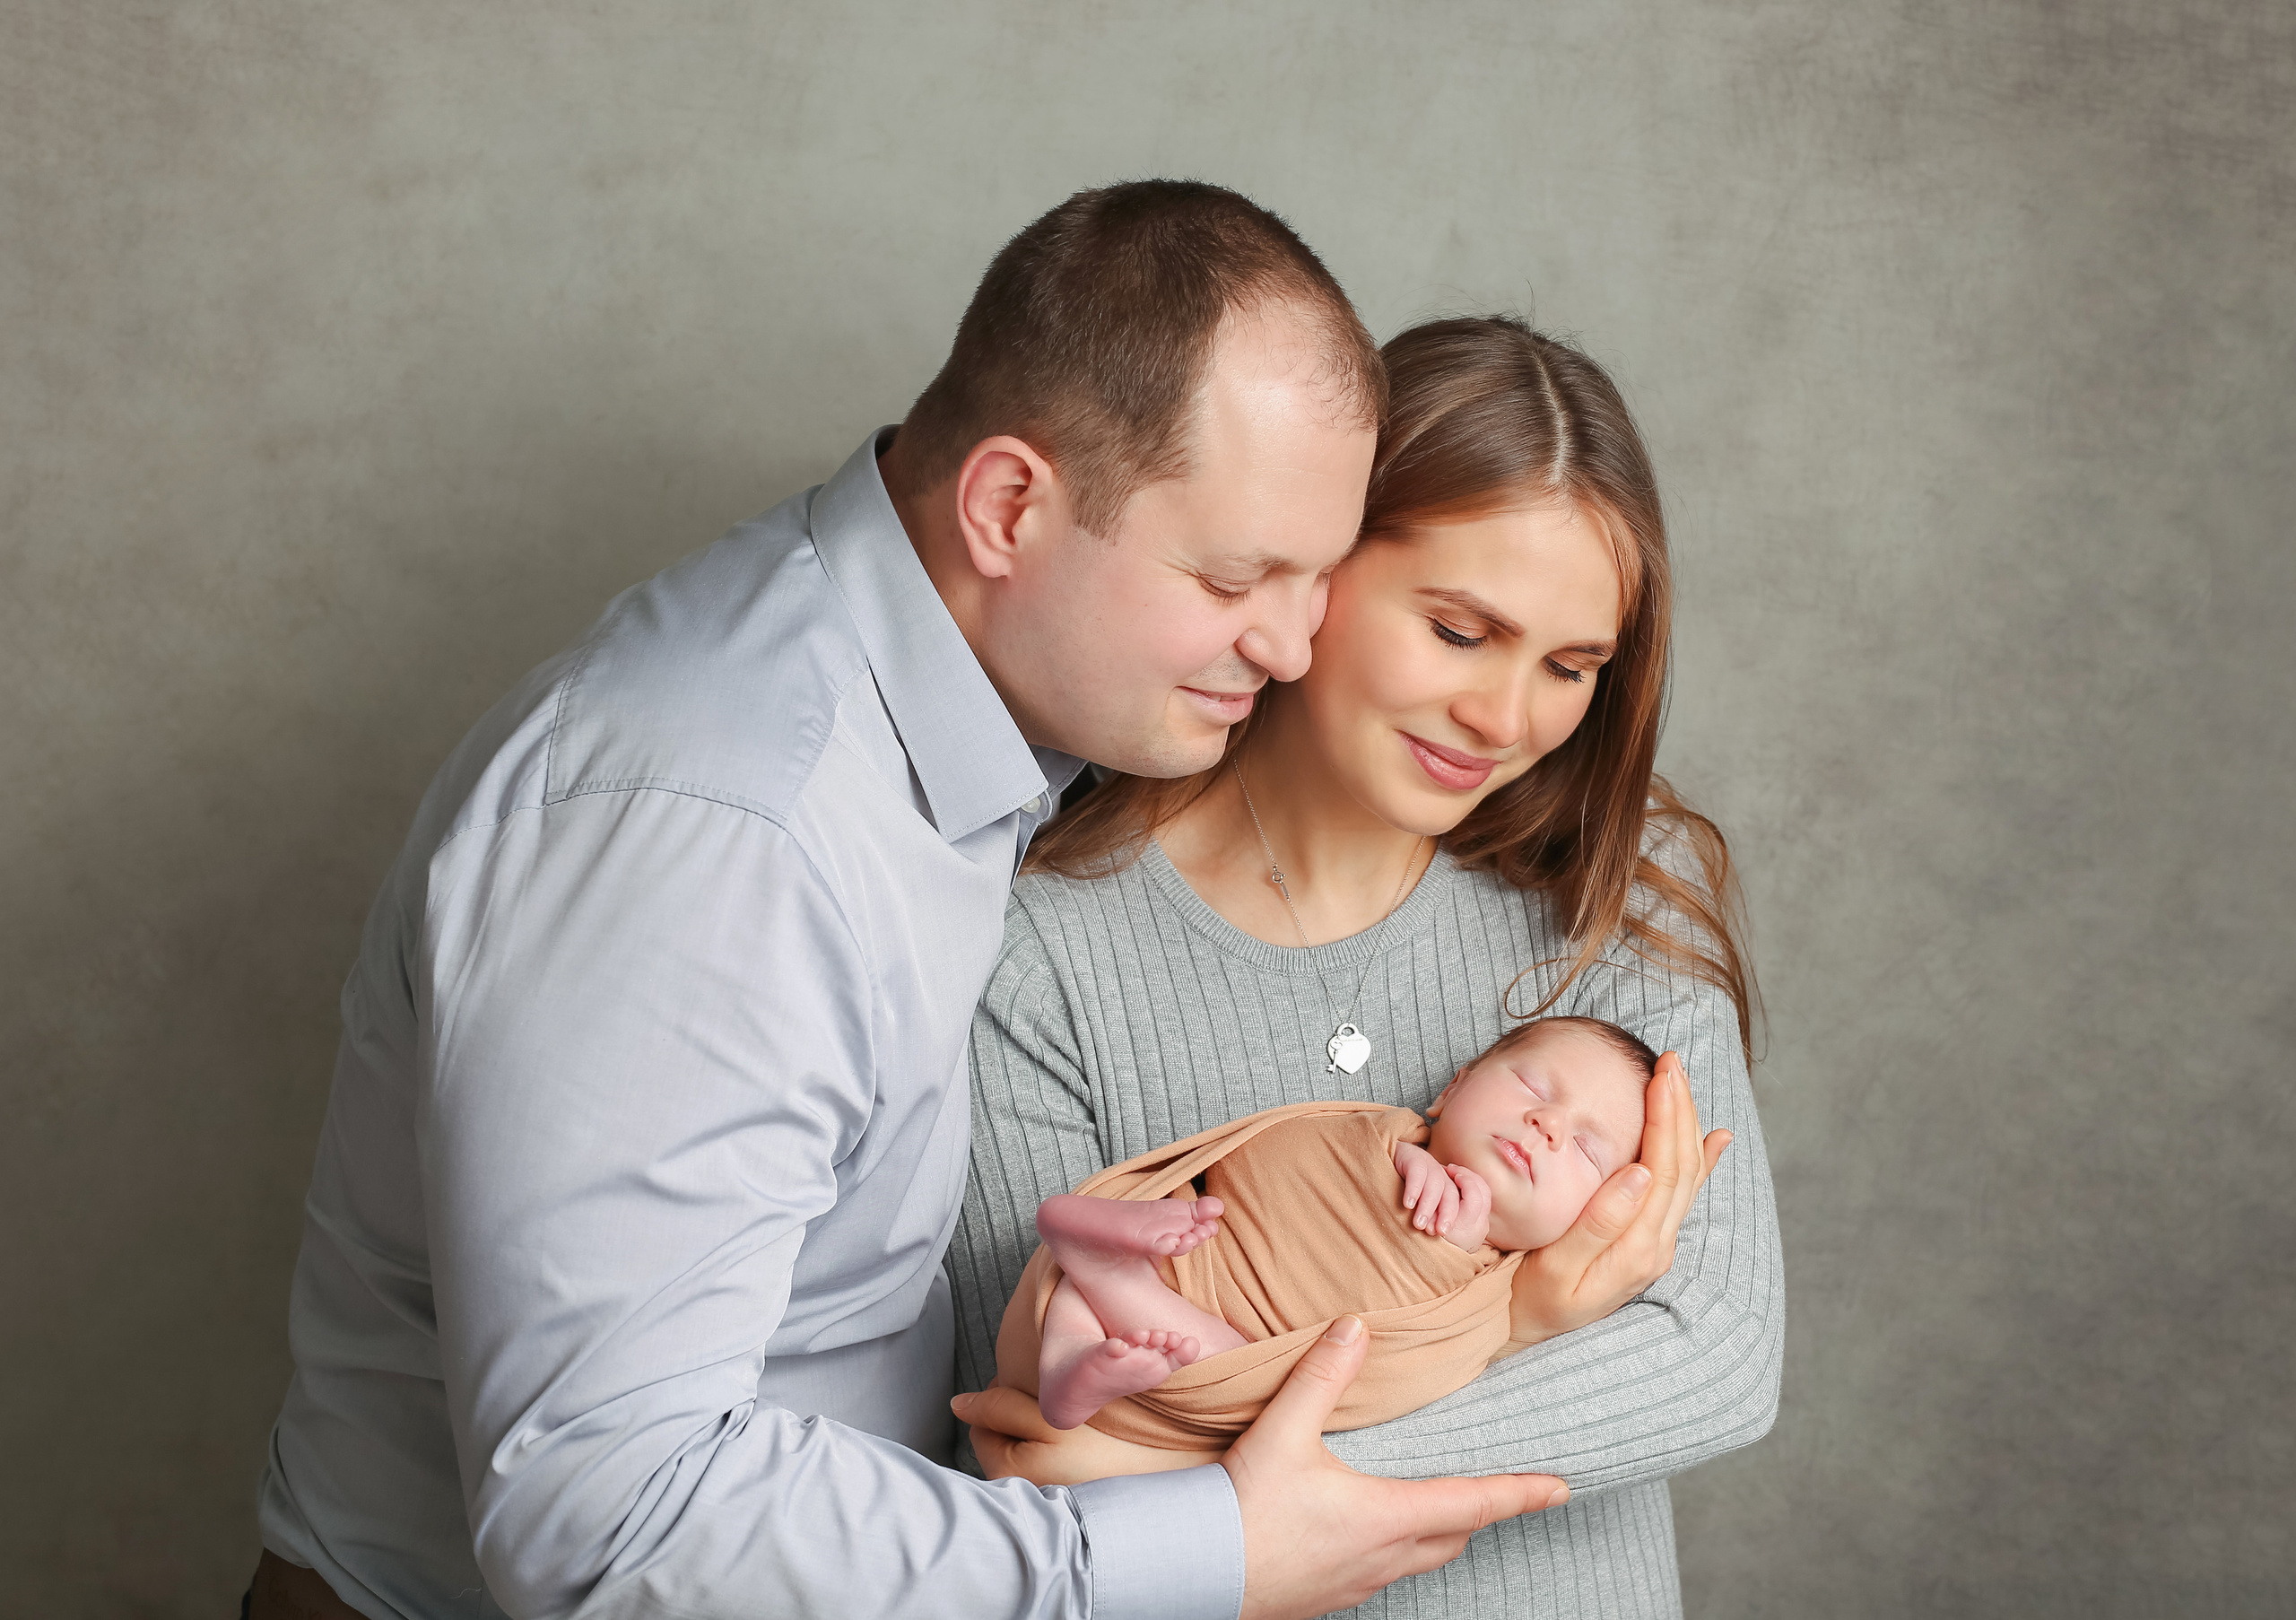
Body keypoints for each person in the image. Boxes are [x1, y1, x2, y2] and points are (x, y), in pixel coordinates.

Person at [246, 184, 1573, 1620]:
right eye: (1236, 577)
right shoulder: (721, 832)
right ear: (1008, 507)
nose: (1294, 646)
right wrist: (1201, 1554)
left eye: (1319, 578)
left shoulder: (984, 711)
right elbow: (612, 1513)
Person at [951, 315, 1785, 1618]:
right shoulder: (1041, 954)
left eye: (1570, 665)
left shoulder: (1612, 891)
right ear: (1314, 567)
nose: (1505, 719)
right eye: (1459, 630)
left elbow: (1708, 1356)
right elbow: (1043, 1440)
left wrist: (1235, 1494)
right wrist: (1525, 1324)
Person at [1022, 1015, 1662, 1435]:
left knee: (1235, 1369)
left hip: (1233, 1350)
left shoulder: (1491, 1301)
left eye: (1587, 1149)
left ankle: (1081, 1341)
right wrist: (1403, 1159)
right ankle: (1084, 1313)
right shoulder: (1379, 1135)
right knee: (1105, 1260)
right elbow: (1288, 1157)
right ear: (1452, 1090)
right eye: (1531, 1085)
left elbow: (1405, 1372)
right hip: (1198, 1247)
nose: (1549, 1124)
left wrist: (1452, 1249)